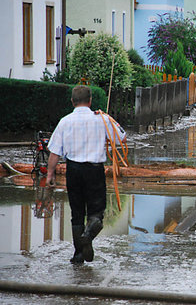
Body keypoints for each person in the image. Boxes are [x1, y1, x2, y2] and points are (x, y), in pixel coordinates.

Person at [47, 85, 126, 264]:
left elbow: (54, 153)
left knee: (76, 213)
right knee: (96, 212)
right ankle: (87, 237)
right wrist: (109, 120)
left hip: (73, 170)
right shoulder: (102, 120)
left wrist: (50, 174)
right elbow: (122, 138)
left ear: (72, 102)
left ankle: (78, 255)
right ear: (90, 101)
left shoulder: (64, 121)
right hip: (94, 170)